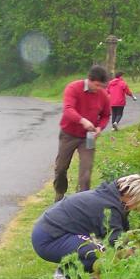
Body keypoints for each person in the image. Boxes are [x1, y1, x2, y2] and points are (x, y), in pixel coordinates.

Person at [31, 174, 140, 279]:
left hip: (52, 230)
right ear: (130, 196)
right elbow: (116, 242)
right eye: (137, 203)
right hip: (48, 238)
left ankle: (72, 266)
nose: (136, 207)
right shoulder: (110, 207)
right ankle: (65, 275)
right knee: (97, 252)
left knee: (98, 249)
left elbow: (121, 233)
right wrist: (138, 259)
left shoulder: (109, 196)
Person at [53, 65, 111, 202]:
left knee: (86, 170)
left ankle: (81, 201)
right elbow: (68, 109)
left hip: (88, 137)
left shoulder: (103, 95)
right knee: (61, 167)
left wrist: (99, 128)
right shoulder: (73, 88)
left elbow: (106, 115)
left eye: (101, 86)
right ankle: (60, 193)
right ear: (90, 80)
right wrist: (82, 120)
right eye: (97, 85)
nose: (99, 89)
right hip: (69, 134)